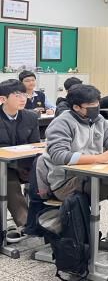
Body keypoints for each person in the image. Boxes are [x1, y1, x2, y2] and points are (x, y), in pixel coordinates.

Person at [37, 84, 108, 263]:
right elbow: (59, 156)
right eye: (91, 105)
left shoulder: (98, 119)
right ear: (76, 107)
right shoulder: (61, 123)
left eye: (97, 103)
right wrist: (97, 158)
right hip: (66, 182)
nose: (96, 108)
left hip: (93, 176)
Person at [0, 79, 40, 243]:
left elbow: (35, 146)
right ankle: (26, 224)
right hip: (4, 167)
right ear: (3, 99)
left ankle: (48, 221)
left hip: (26, 165)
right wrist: (16, 166)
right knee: (7, 179)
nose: (23, 99)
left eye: (24, 94)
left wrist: (27, 166)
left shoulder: (31, 116)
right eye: (17, 95)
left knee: (48, 174)